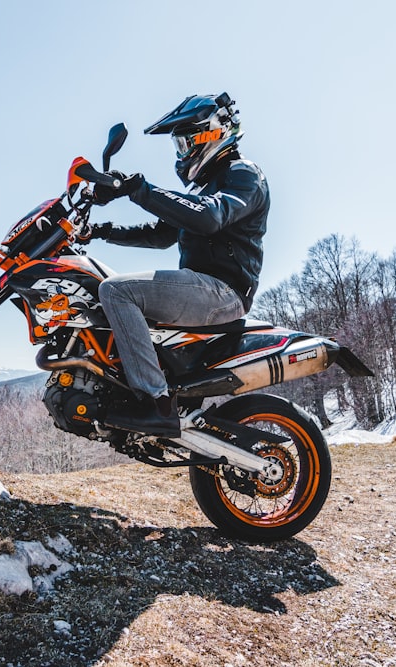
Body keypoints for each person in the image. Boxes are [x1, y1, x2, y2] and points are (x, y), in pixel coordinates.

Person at [86, 93, 270, 437]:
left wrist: (139, 189)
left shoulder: (243, 175)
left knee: (116, 291)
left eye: (186, 142)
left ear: (212, 134)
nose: (181, 152)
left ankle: (157, 404)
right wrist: (99, 231)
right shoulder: (206, 185)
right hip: (200, 288)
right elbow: (160, 235)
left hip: (222, 293)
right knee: (97, 286)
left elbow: (210, 217)